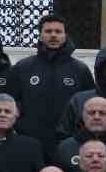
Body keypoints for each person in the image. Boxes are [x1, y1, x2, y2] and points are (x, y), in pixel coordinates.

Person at [12, 14, 94, 157]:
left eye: (58, 31)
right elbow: (12, 103)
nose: (53, 35)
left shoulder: (80, 70)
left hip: (68, 143)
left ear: (65, 35)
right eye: (48, 31)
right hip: (30, 142)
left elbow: (89, 106)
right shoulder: (23, 68)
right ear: (40, 36)